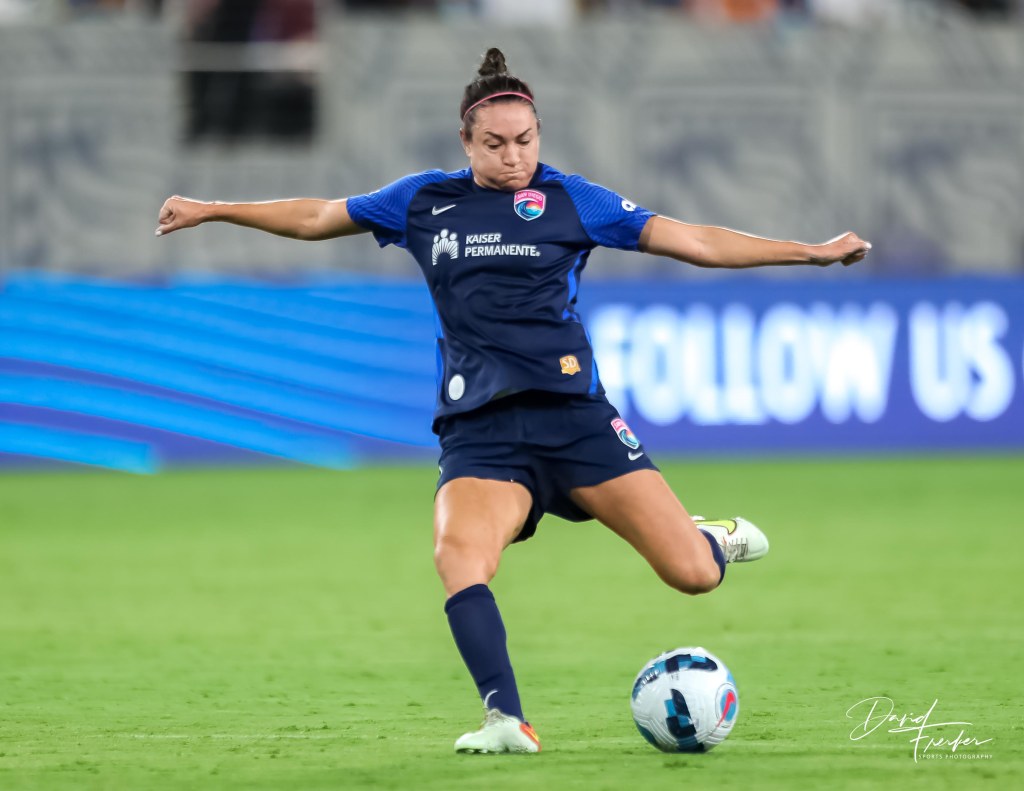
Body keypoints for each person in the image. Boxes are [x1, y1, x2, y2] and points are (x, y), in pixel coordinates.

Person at [156, 47, 870, 754]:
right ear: (466, 142)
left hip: (576, 421)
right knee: (458, 556)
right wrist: (213, 209)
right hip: (483, 431)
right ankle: (505, 717)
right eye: (495, 144)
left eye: (525, 141)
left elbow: (695, 242)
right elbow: (317, 216)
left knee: (692, 575)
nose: (513, 156)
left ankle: (711, 537)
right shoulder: (423, 201)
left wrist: (807, 251)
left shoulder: (573, 200)